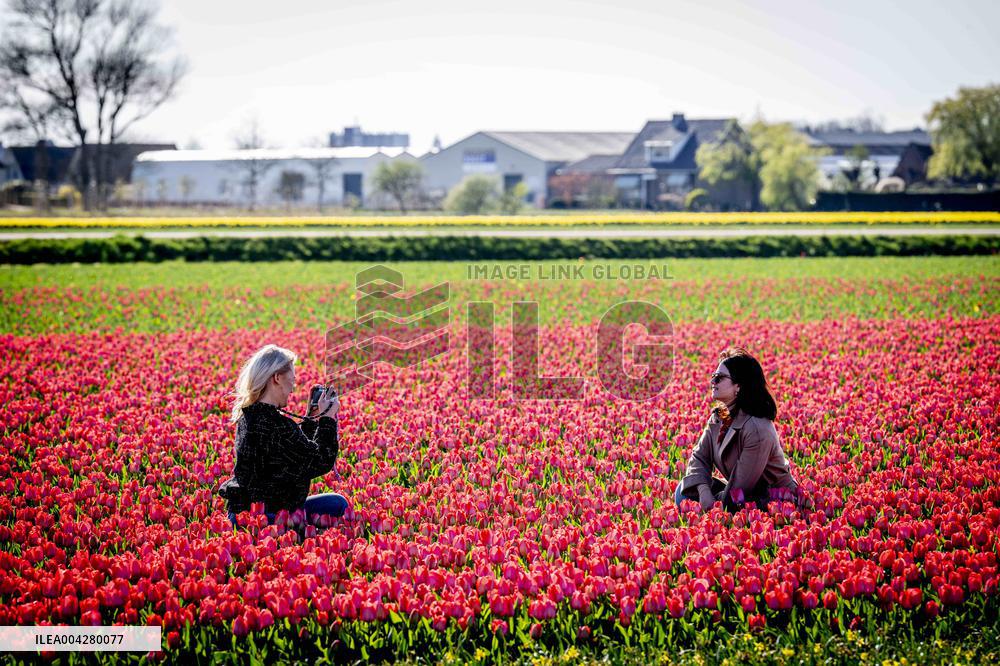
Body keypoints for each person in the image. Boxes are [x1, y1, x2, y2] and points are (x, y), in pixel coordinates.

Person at [218, 344, 349, 528]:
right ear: (277, 378)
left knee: (335, 503)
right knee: (339, 506)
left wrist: (312, 418)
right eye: (292, 379)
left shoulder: (250, 417)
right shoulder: (275, 426)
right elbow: (320, 460)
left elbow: (293, 452)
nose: (293, 387)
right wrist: (327, 419)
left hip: (241, 515)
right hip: (266, 520)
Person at [674, 347, 804, 513]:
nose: (713, 382)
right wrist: (704, 492)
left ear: (739, 386)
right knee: (684, 490)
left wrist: (715, 505)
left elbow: (740, 488)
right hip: (741, 493)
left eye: (719, 378)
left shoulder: (757, 428)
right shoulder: (720, 416)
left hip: (773, 500)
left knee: (727, 505)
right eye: (713, 377)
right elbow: (699, 457)